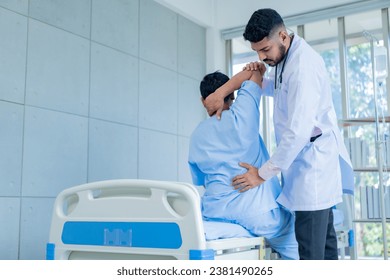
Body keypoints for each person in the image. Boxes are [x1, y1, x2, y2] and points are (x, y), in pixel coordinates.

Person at [203, 8, 354, 260]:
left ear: (283, 36)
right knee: (325, 249)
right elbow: (273, 85)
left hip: (313, 167)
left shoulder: (303, 67)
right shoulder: (286, 58)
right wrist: (239, 83)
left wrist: (260, 176)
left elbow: (297, 133)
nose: (262, 57)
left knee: (311, 253)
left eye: (265, 50)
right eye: (257, 52)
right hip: (303, 163)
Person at [188, 67, 299, 260]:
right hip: (258, 215)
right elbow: (255, 74)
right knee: (295, 239)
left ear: (201, 100)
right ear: (232, 94)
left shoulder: (197, 134)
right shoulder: (243, 114)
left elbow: (201, 180)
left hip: (215, 213)